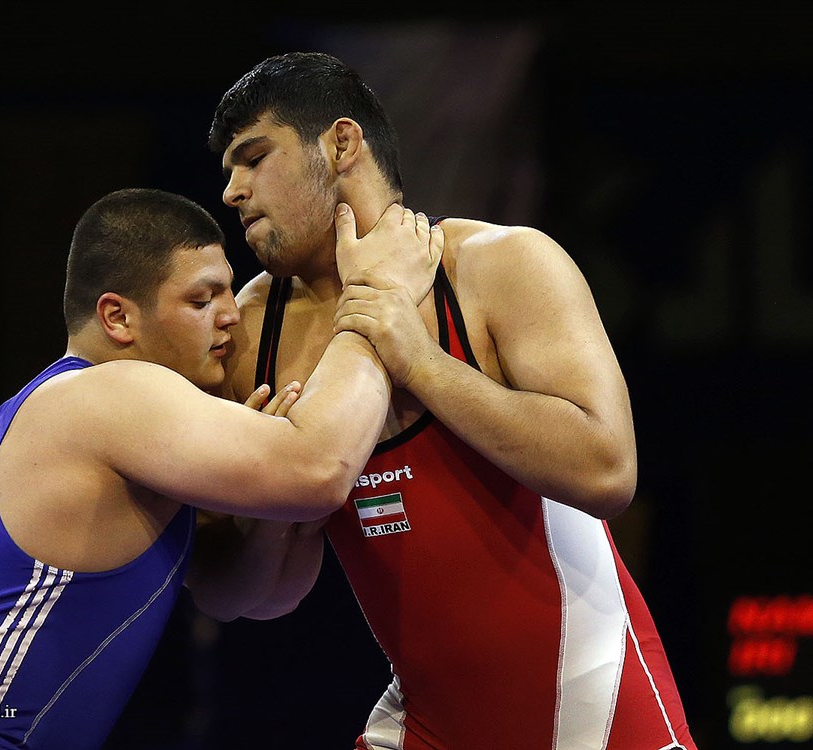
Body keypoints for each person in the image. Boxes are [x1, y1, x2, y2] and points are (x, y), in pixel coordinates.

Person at [0, 187, 441, 750]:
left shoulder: (99, 419)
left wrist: (273, 513)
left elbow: (248, 597)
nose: (230, 317)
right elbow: (320, 469)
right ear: (118, 317)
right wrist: (378, 303)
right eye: (201, 300)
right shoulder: (110, 393)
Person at [193, 51, 700, 749]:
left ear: (342, 144)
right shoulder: (253, 333)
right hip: (428, 725)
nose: (232, 191)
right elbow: (240, 598)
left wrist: (420, 360)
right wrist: (274, 512)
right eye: (228, 171)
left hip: (598, 716)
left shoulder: (499, 265)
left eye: (254, 158)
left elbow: (607, 472)